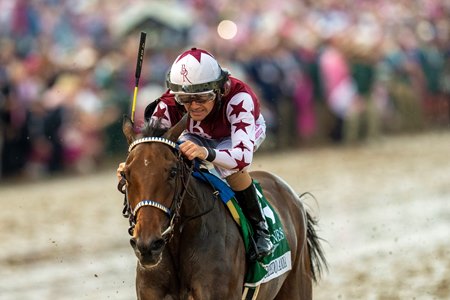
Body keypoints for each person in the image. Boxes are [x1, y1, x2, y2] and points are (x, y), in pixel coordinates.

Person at [117, 47, 273, 261]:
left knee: (226, 168)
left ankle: (259, 228)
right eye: (186, 100)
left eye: (202, 98)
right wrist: (131, 166)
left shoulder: (240, 99)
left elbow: (241, 158)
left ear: (218, 90)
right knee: (175, 161)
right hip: (195, 134)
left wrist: (206, 152)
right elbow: (151, 151)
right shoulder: (168, 104)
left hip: (235, 136)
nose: (194, 106)